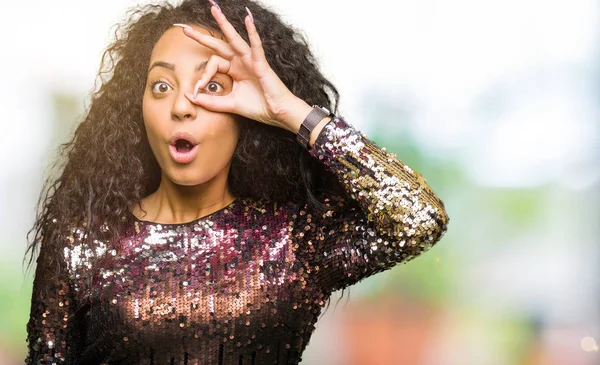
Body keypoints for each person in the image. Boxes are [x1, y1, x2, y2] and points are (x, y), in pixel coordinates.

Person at [23, 0, 450, 364]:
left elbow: (419, 217)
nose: (182, 106)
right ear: (138, 109)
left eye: (211, 86)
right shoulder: (82, 243)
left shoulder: (292, 238)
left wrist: (290, 111)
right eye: (161, 85)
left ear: (245, 110)